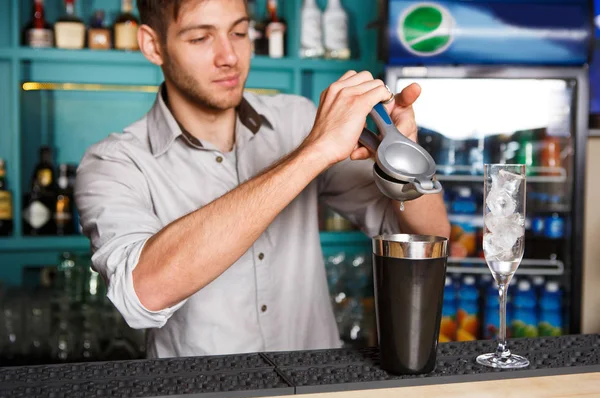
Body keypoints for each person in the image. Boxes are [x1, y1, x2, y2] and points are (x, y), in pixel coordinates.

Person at [74, 0, 450, 358]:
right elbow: (143, 294)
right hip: (207, 393)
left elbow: (431, 235)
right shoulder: (114, 162)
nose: (229, 57)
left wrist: (405, 161)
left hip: (316, 387)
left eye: (239, 33)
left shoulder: (298, 119)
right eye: (201, 38)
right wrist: (312, 152)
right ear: (152, 45)